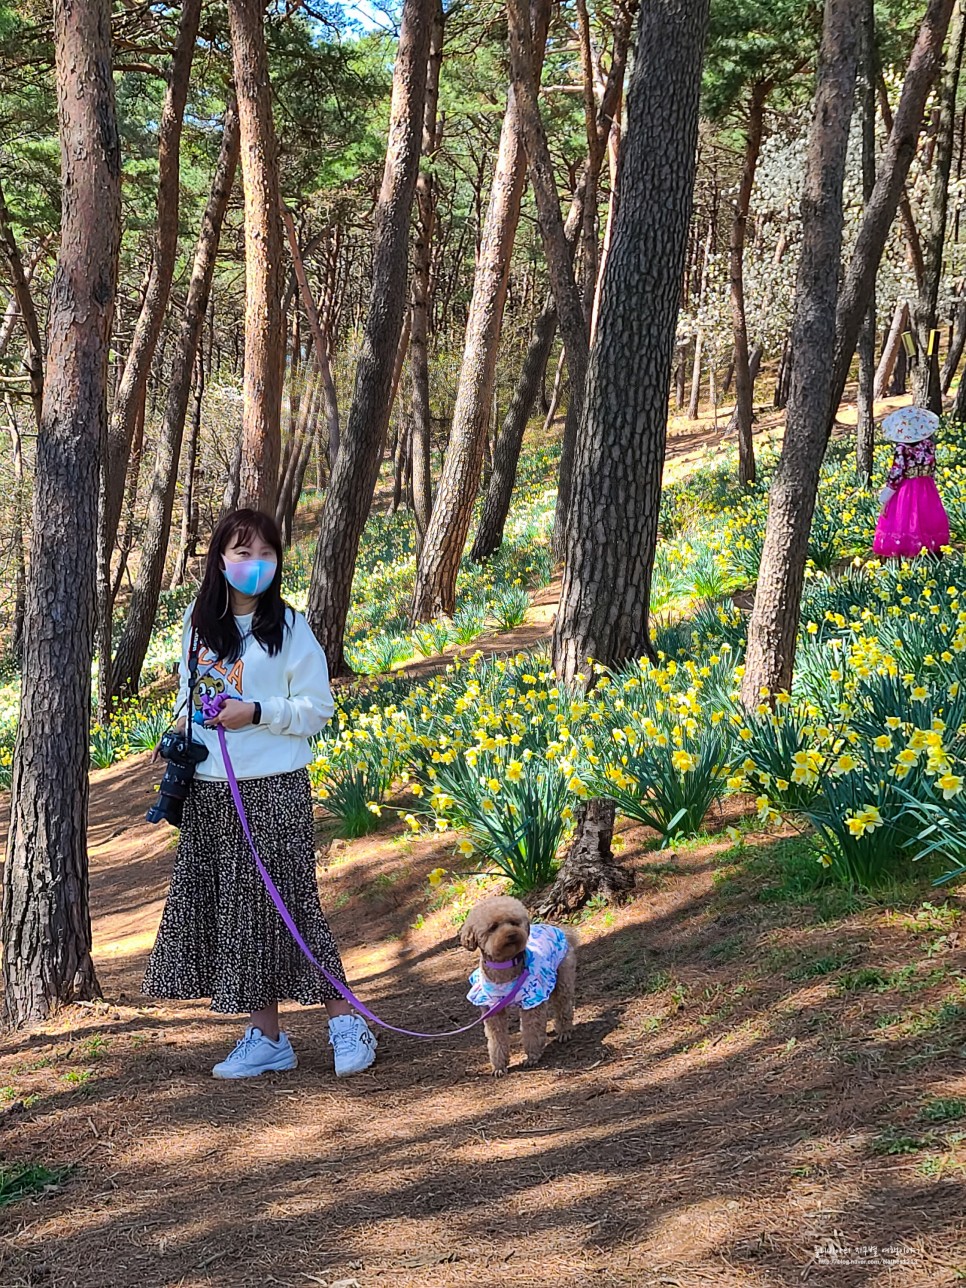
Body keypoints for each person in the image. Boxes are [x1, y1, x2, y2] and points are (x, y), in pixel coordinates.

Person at [143, 509, 378, 1080]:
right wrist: (178, 731)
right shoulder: (197, 626)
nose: (255, 566)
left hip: (274, 788)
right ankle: (267, 1035)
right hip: (209, 789)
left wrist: (259, 713)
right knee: (237, 913)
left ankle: (348, 1021)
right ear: (220, 559)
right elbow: (189, 695)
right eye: (242, 553)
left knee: (288, 901)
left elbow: (318, 710)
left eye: (266, 554)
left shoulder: (292, 629)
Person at [873, 406, 951, 559]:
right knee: (926, 517)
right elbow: (932, 467)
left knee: (905, 519)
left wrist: (885, 498)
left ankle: (906, 554)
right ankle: (929, 552)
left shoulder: (902, 449)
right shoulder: (929, 445)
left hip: (907, 487)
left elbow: (897, 473)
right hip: (926, 486)